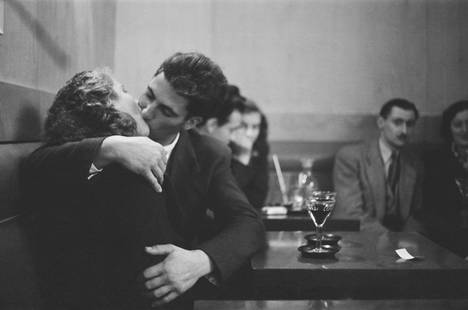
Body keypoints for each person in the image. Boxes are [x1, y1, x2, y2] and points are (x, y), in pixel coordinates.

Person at [24, 52, 265, 308]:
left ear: (191, 122)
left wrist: (200, 260)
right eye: (149, 94)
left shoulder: (210, 154)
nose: (147, 111)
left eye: (166, 110)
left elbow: (248, 224)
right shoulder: (107, 124)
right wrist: (109, 146)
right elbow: (38, 166)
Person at [22, 70, 173, 309]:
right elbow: (38, 166)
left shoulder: (118, 170)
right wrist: (110, 146)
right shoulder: (112, 173)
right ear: (100, 105)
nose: (137, 101)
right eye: (124, 90)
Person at [333, 98, 424, 232]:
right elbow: (351, 214)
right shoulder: (350, 157)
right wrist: (391, 240)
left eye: (409, 124)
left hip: (401, 244)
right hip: (357, 239)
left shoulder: (414, 163)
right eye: (397, 122)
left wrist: (410, 241)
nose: (404, 131)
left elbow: (416, 214)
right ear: (381, 123)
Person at [423, 100, 468, 258]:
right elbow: (431, 212)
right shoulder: (436, 161)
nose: (465, 130)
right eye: (458, 125)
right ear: (449, 129)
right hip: (447, 241)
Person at [230, 99, 270, 209]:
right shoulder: (219, 149)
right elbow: (228, 199)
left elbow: (258, 200)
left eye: (255, 127)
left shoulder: (260, 149)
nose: (250, 133)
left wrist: (247, 154)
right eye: (244, 126)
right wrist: (243, 156)